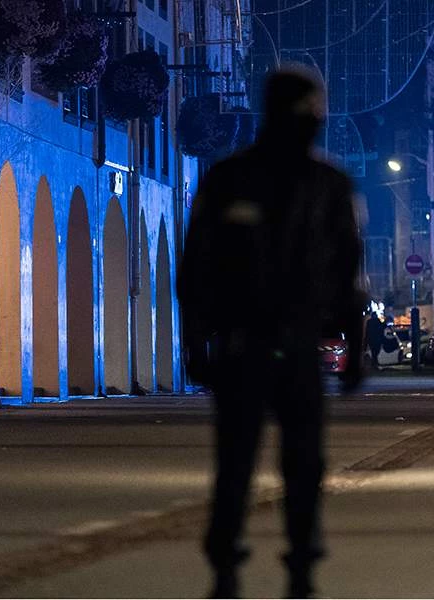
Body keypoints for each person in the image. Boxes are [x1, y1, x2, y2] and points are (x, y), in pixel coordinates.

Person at [178, 66, 365, 599]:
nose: (311, 125)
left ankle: (293, 564)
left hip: (289, 341)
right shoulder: (237, 179)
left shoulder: (324, 186)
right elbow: (198, 267)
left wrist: (353, 348)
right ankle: (238, 564)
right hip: (251, 341)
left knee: (292, 461)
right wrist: (198, 340)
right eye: (307, 114)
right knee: (244, 460)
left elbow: (348, 270)